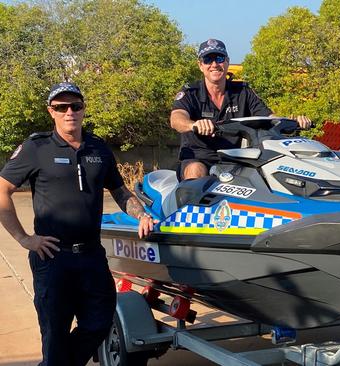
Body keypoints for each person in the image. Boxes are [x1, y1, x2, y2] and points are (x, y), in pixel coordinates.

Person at [0, 82, 156, 366]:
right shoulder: (37, 148)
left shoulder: (99, 148)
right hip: (53, 258)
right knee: (55, 334)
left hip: (92, 256)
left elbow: (120, 191)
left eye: (75, 106)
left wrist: (141, 214)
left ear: (83, 109)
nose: (69, 112)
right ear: (52, 112)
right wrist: (25, 239)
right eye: (61, 107)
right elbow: (2, 190)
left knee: (99, 321)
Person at [170, 38, 312, 179]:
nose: (214, 64)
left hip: (235, 159)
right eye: (208, 60)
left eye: (219, 58)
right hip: (199, 159)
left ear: (227, 62)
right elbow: (176, 119)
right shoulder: (190, 92)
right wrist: (193, 124)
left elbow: (269, 118)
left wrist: (292, 123)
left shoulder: (243, 91)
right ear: (200, 65)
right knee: (196, 170)